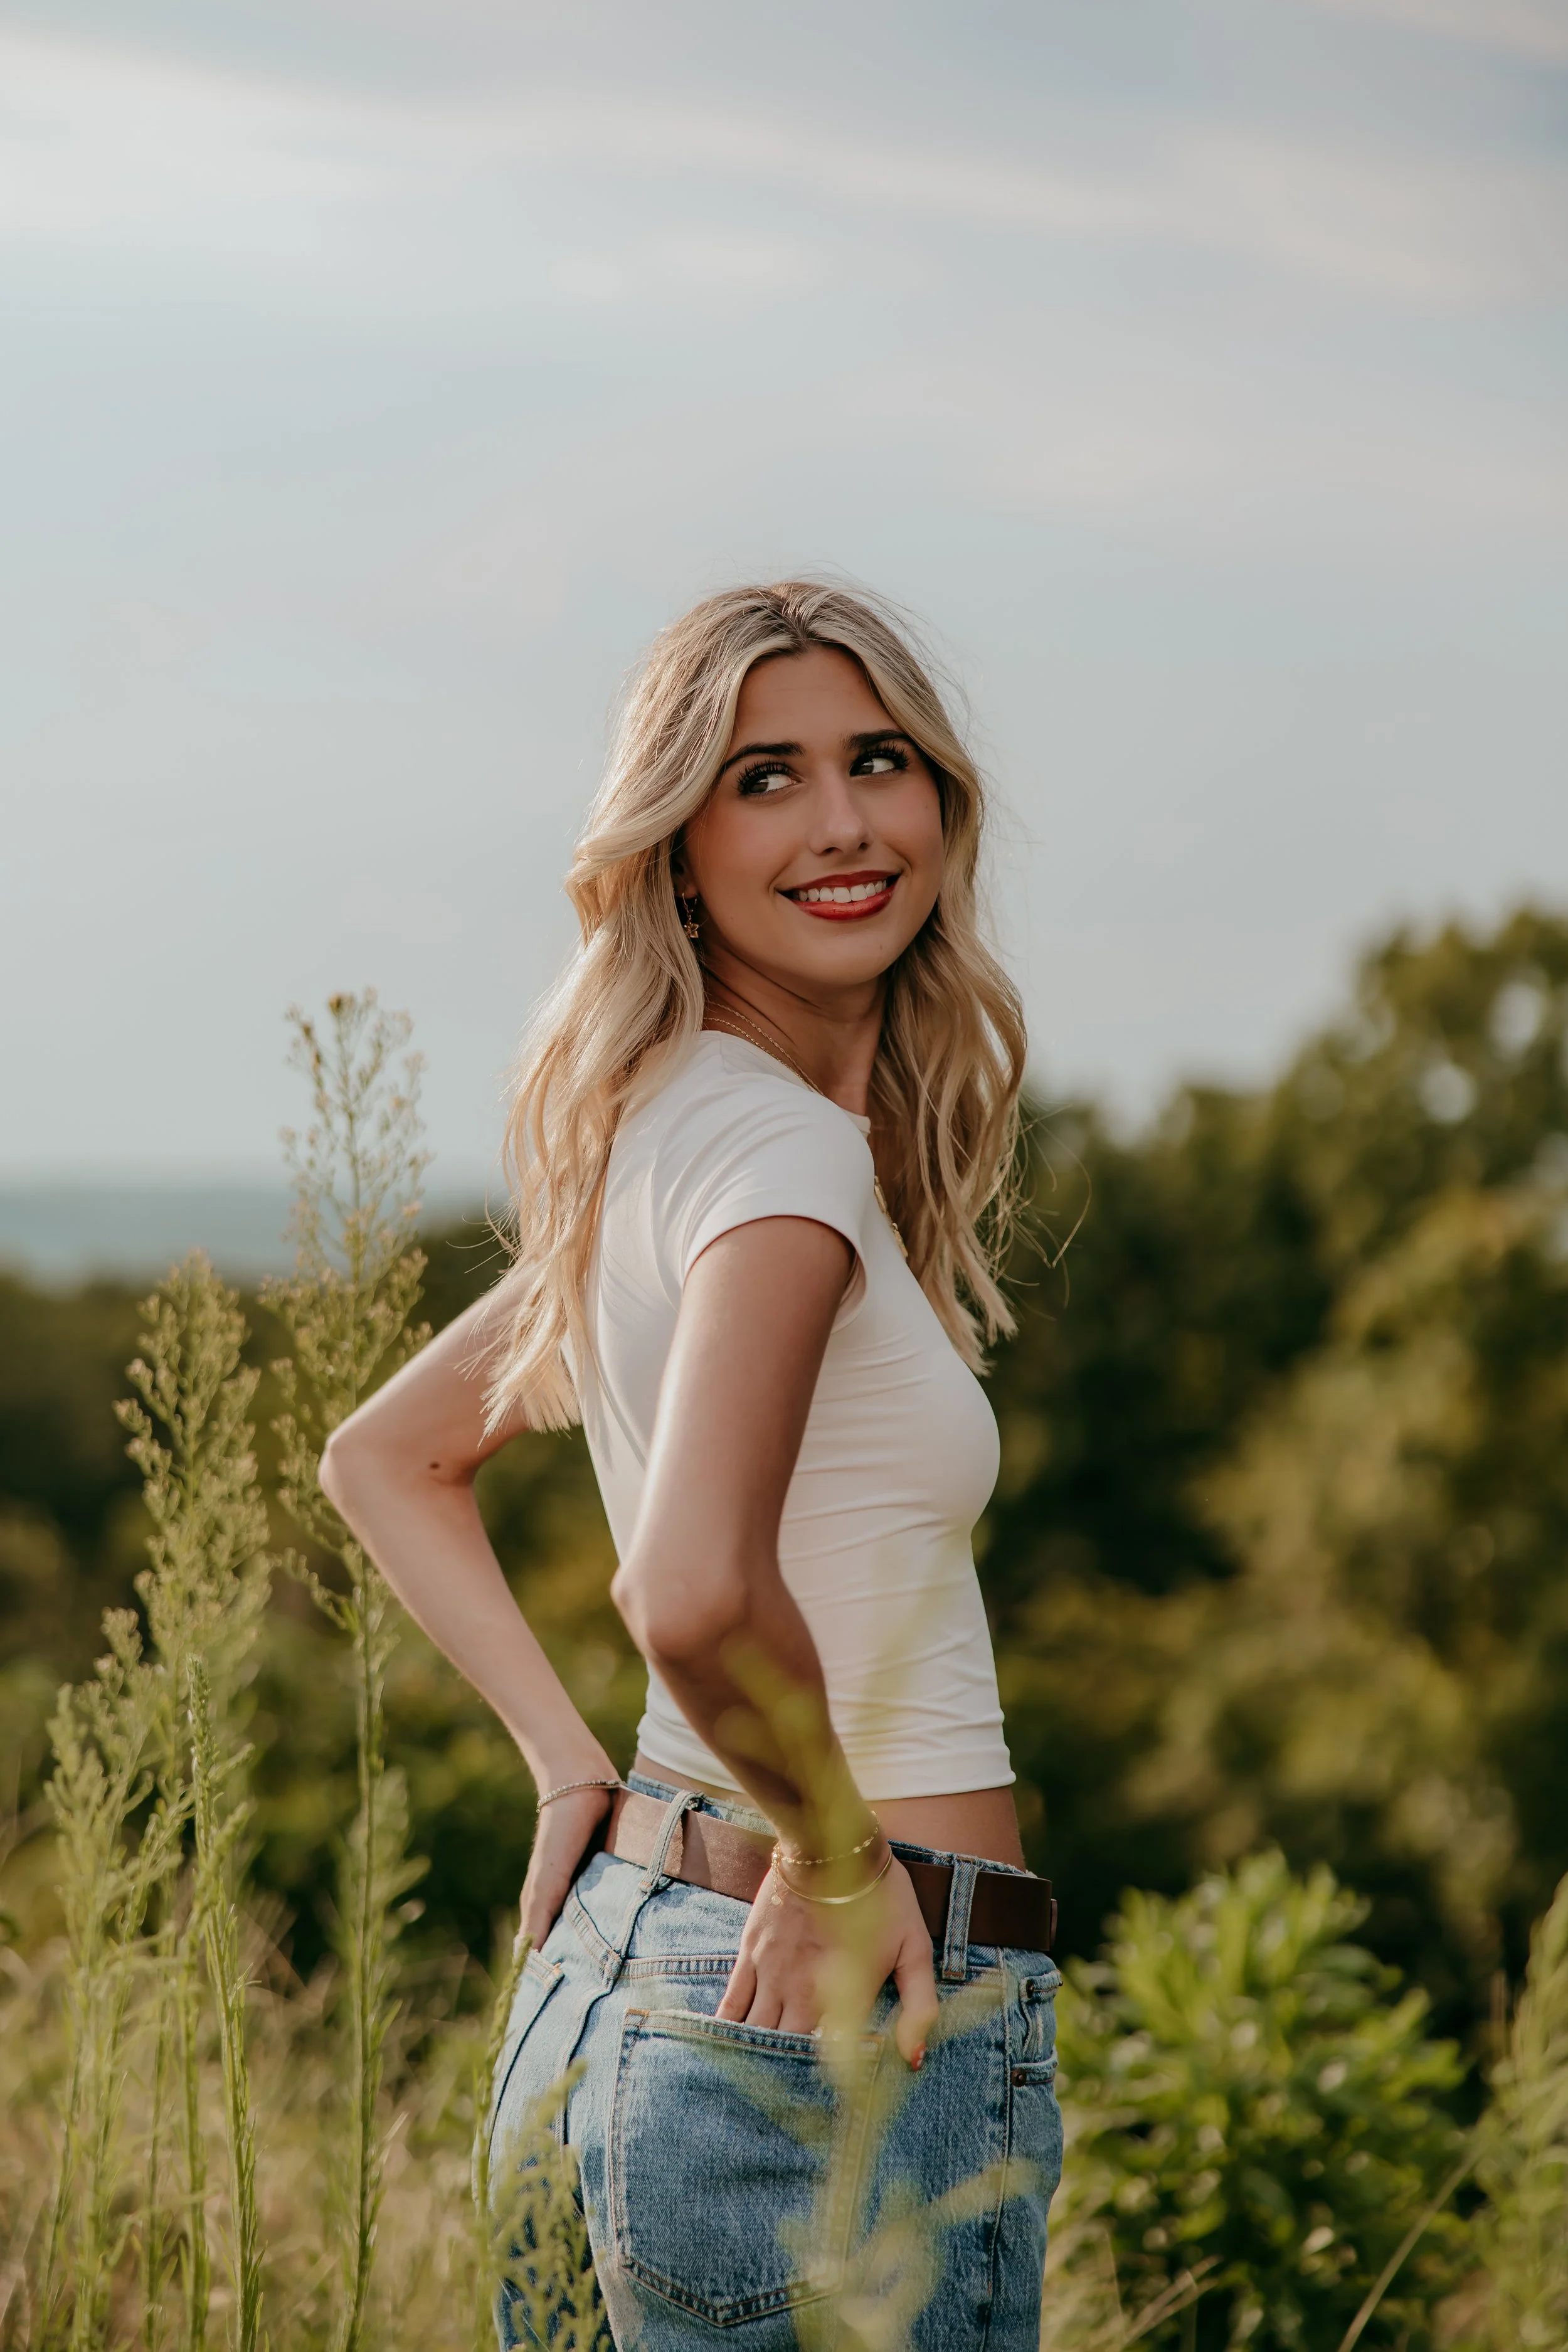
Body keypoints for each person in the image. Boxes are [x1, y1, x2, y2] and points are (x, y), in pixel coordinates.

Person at [320, 581, 1062, 2349]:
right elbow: (687, 1586)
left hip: (629, 1969)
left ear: (939, 795)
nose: (840, 823)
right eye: (762, 778)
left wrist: (568, 1765)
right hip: (827, 2019)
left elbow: (388, 1458)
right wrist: (826, 1854)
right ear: (671, 848)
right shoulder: (782, 1164)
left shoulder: (664, 1134)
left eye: (876, 761)